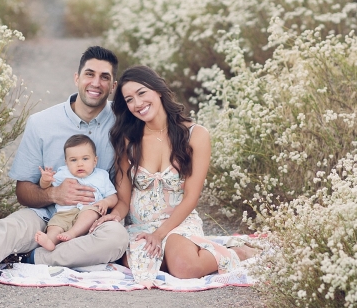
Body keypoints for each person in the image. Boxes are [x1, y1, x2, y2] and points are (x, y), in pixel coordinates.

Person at [0, 46, 128, 295]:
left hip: (92, 219)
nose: (96, 83)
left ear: (113, 85)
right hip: (45, 216)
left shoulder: (123, 122)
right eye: (89, 74)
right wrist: (53, 194)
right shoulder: (42, 123)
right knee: (10, 228)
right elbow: (23, 192)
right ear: (77, 78)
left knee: (116, 239)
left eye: (104, 77)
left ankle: (32, 258)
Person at [90, 65, 257, 288]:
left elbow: (191, 197)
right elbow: (123, 199)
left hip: (178, 222)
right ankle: (176, 254)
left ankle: (239, 252)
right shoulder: (128, 139)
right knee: (137, 264)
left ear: (158, 90)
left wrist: (160, 234)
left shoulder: (195, 135)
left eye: (142, 93)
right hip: (140, 226)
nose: (137, 103)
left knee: (184, 267)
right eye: (129, 100)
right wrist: (114, 217)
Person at [34, 134, 118, 251]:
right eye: (73, 160)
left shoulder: (101, 175)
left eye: (85, 159)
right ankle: (50, 241)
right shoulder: (63, 173)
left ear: (95, 161)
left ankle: (72, 233)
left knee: (91, 212)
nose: (80, 164)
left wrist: (106, 202)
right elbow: (46, 187)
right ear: (66, 162)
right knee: (55, 225)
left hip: (88, 210)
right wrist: (45, 180)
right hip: (64, 212)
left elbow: (113, 196)